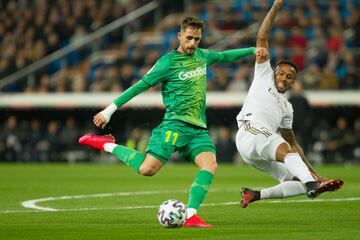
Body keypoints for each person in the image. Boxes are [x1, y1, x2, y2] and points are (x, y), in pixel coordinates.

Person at [79, 16, 266, 227]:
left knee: (210, 165)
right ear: (179, 36)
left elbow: (224, 56)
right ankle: (107, 144)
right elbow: (138, 86)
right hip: (174, 125)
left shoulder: (202, 56)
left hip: (197, 129)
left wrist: (252, 50)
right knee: (147, 169)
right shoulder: (166, 63)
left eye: (197, 39)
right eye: (189, 38)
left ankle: (191, 215)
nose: (193, 44)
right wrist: (109, 110)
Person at [235, 0, 344, 208]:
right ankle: (312, 184)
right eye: (282, 73)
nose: (284, 78)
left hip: (260, 149)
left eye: (290, 77)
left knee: (297, 179)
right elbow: (262, 36)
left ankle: (255, 195)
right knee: (292, 160)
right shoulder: (263, 75)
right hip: (250, 132)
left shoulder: (287, 107)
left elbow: (293, 146)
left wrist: (312, 171)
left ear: (293, 82)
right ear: (275, 72)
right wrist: (276, 5)